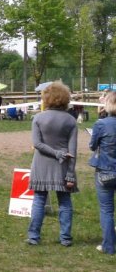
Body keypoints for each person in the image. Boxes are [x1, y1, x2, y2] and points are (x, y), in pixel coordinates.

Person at [26, 81, 78, 247]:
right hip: (63, 166)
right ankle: (65, 238)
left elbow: (37, 144)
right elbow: (73, 151)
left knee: (39, 200)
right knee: (65, 201)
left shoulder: (38, 118)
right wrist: (70, 173)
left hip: (41, 164)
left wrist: (56, 154)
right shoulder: (71, 121)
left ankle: (34, 236)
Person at [89, 91, 116, 254]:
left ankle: (108, 246)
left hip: (105, 171)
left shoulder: (101, 124)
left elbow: (92, 145)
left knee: (106, 210)